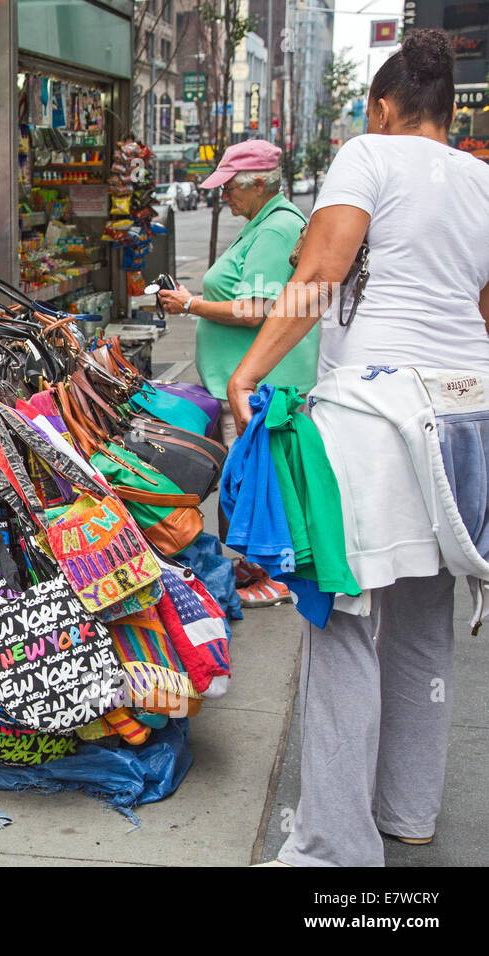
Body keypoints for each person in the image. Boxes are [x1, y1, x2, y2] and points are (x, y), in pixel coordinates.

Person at [227, 29, 489, 865]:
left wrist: (251, 373)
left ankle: (335, 849)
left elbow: (320, 272)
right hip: (467, 420)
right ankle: (407, 811)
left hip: (376, 421)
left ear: (381, 105)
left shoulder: (368, 153)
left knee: (337, 617)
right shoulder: (484, 179)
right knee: (422, 625)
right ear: (447, 109)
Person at [157, 139, 315, 607]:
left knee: (259, 483)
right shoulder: (263, 224)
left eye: (230, 187)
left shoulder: (275, 230)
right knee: (249, 480)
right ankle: (255, 567)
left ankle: (276, 576)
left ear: (260, 185)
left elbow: (256, 308)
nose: (223, 196)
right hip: (247, 381)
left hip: (260, 384)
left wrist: (191, 304)